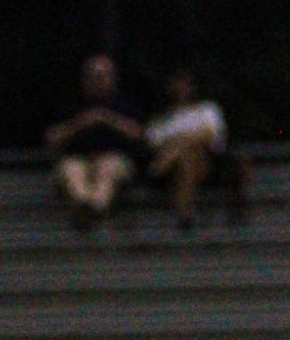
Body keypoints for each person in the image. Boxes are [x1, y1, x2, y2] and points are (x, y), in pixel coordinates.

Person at [44, 53, 146, 224]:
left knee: (109, 168)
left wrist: (109, 119)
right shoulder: (71, 106)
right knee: (71, 170)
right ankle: (86, 205)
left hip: (113, 158)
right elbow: (52, 139)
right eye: (93, 76)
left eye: (103, 76)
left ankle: (93, 209)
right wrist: (80, 123)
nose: (98, 81)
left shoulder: (124, 106)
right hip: (78, 159)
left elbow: (139, 135)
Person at [144, 69, 242, 229]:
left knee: (188, 152)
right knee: (185, 159)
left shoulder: (207, 110)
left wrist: (179, 142)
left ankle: (182, 208)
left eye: (184, 84)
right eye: (176, 85)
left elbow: (210, 135)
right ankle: (184, 212)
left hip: (209, 164)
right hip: (174, 170)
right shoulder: (161, 119)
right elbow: (153, 143)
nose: (180, 89)